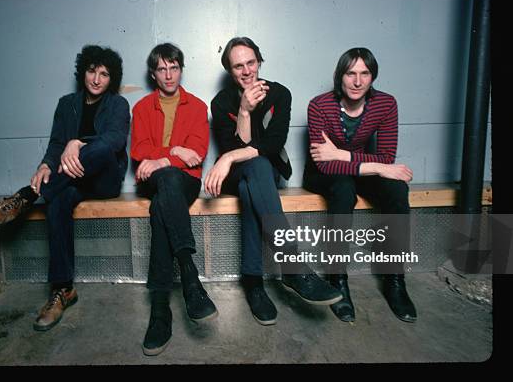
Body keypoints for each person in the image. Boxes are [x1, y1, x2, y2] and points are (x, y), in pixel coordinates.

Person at [0, 45, 131, 331]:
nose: (96, 79)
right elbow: (55, 145)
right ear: (82, 71)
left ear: (112, 79)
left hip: (103, 179)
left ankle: (26, 196)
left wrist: (78, 143)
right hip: (70, 179)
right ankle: (63, 290)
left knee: (101, 150)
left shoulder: (117, 105)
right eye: (91, 71)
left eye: (104, 74)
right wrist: (45, 166)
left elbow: (115, 141)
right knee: (58, 201)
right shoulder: (66, 104)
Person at [205, 37, 342, 327]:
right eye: (238, 66)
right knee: (250, 171)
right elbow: (231, 145)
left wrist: (228, 158)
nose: (246, 71)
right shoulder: (221, 103)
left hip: (267, 174)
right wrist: (243, 111)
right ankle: (292, 269)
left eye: (251, 63)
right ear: (230, 71)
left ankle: (253, 282)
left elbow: (272, 144)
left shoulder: (280, 94)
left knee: (254, 176)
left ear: (260, 61)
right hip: (236, 175)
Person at [303, 47, 417, 323]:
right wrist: (377, 165)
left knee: (397, 188)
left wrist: (343, 154)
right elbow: (325, 163)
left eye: (364, 73)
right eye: (350, 73)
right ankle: (337, 279)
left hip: (360, 170)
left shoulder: (386, 104)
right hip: (323, 174)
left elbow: (387, 158)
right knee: (343, 189)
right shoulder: (319, 105)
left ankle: (395, 281)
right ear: (340, 76)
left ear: (372, 77)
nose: (357, 81)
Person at [130, 43, 217, 356]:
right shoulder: (141, 108)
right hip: (157, 180)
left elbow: (198, 154)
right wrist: (176, 152)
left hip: (185, 183)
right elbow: (139, 152)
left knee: (161, 205)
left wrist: (164, 159)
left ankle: (160, 310)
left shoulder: (196, 106)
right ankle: (190, 278)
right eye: (162, 69)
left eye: (174, 67)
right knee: (164, 183)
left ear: (181, 69)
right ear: (154, 74)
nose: (169, 75)